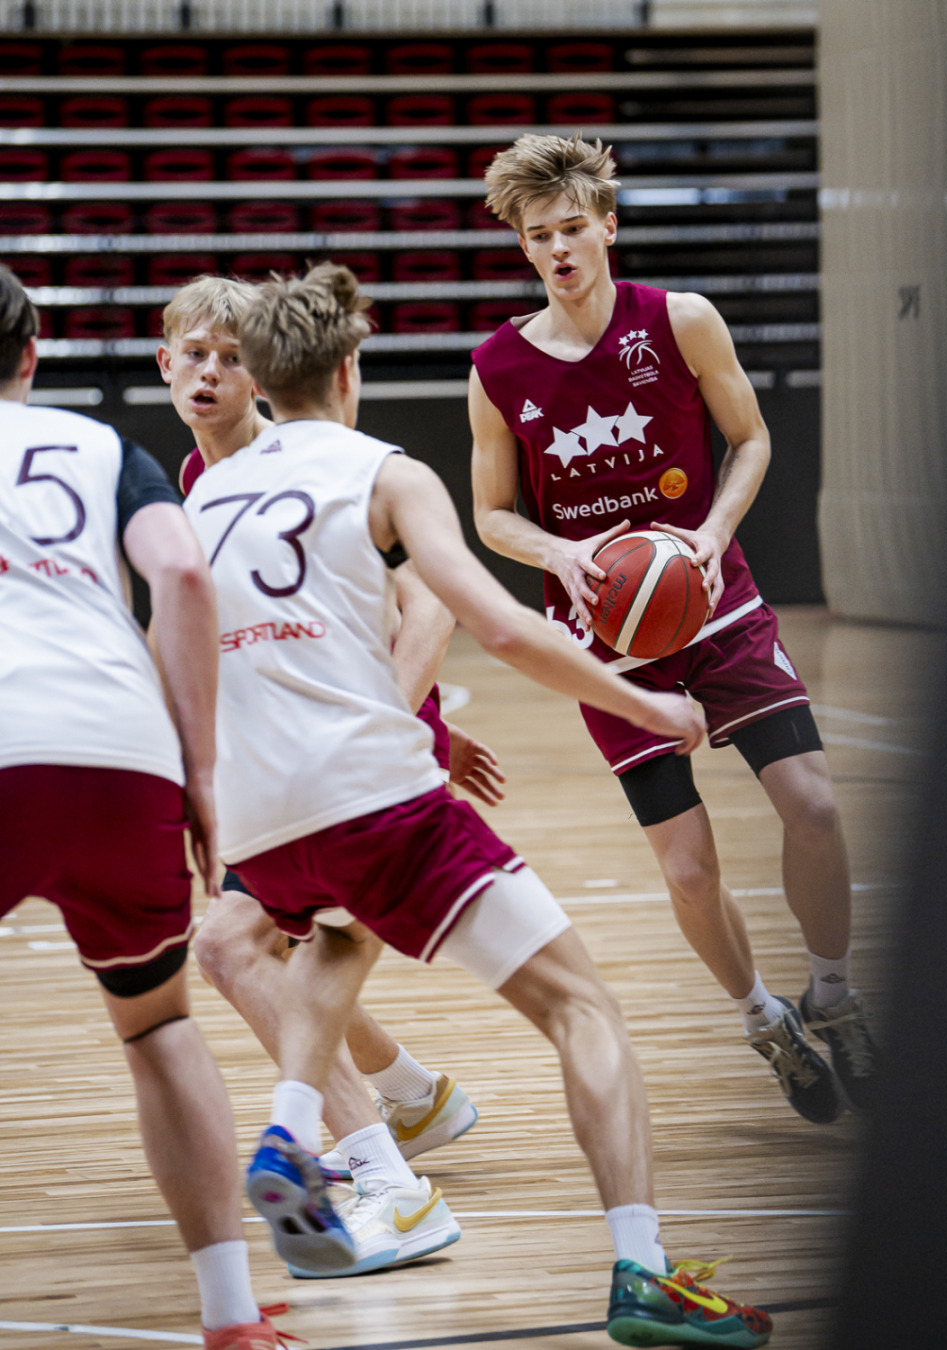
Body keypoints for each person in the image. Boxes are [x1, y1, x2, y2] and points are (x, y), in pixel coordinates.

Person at [183, 261, 773, 1347]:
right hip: (369, 791)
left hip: (258, 814)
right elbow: (499, 626)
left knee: (342, 928)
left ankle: (291, 1131)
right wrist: (644, 702)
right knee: (584, 1009)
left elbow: (187, 651)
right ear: (350, 371)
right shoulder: (386, 471)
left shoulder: (205, 494)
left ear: (261, 378)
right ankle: (644, 1274)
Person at [469, 134, 878, 1124]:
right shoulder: (497, 368)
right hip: (605, 642)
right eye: (540, 235)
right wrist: (560, 554)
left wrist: (713, 532)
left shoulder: (680, 320)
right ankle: (765, 1020)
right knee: (690, 868)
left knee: (816, 807)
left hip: (714, 600)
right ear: (523, 247)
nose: (559, 248)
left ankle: (833, 992)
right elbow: (490, 515)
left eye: (573, 228)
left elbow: (751, 438)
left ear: (607, 227)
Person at [158, 276, 498, 1274]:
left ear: (264, 374)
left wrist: (399, 720)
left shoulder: (306, 459)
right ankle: (410, 1099)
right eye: (194, 355)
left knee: (236, 947)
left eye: (231, 357)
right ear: (164, 363)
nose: (210, 374)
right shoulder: (198, 475)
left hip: (355, 754)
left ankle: (389, 1177)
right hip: (291, 754)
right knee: (293, 947)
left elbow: (431, 602)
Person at [0, 264, 277, 1350]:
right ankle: (231, 1314)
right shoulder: (106, 448)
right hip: (121, 754)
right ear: (31, 355)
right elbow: (186, 579)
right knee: (159, 1023)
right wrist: (200, 774)